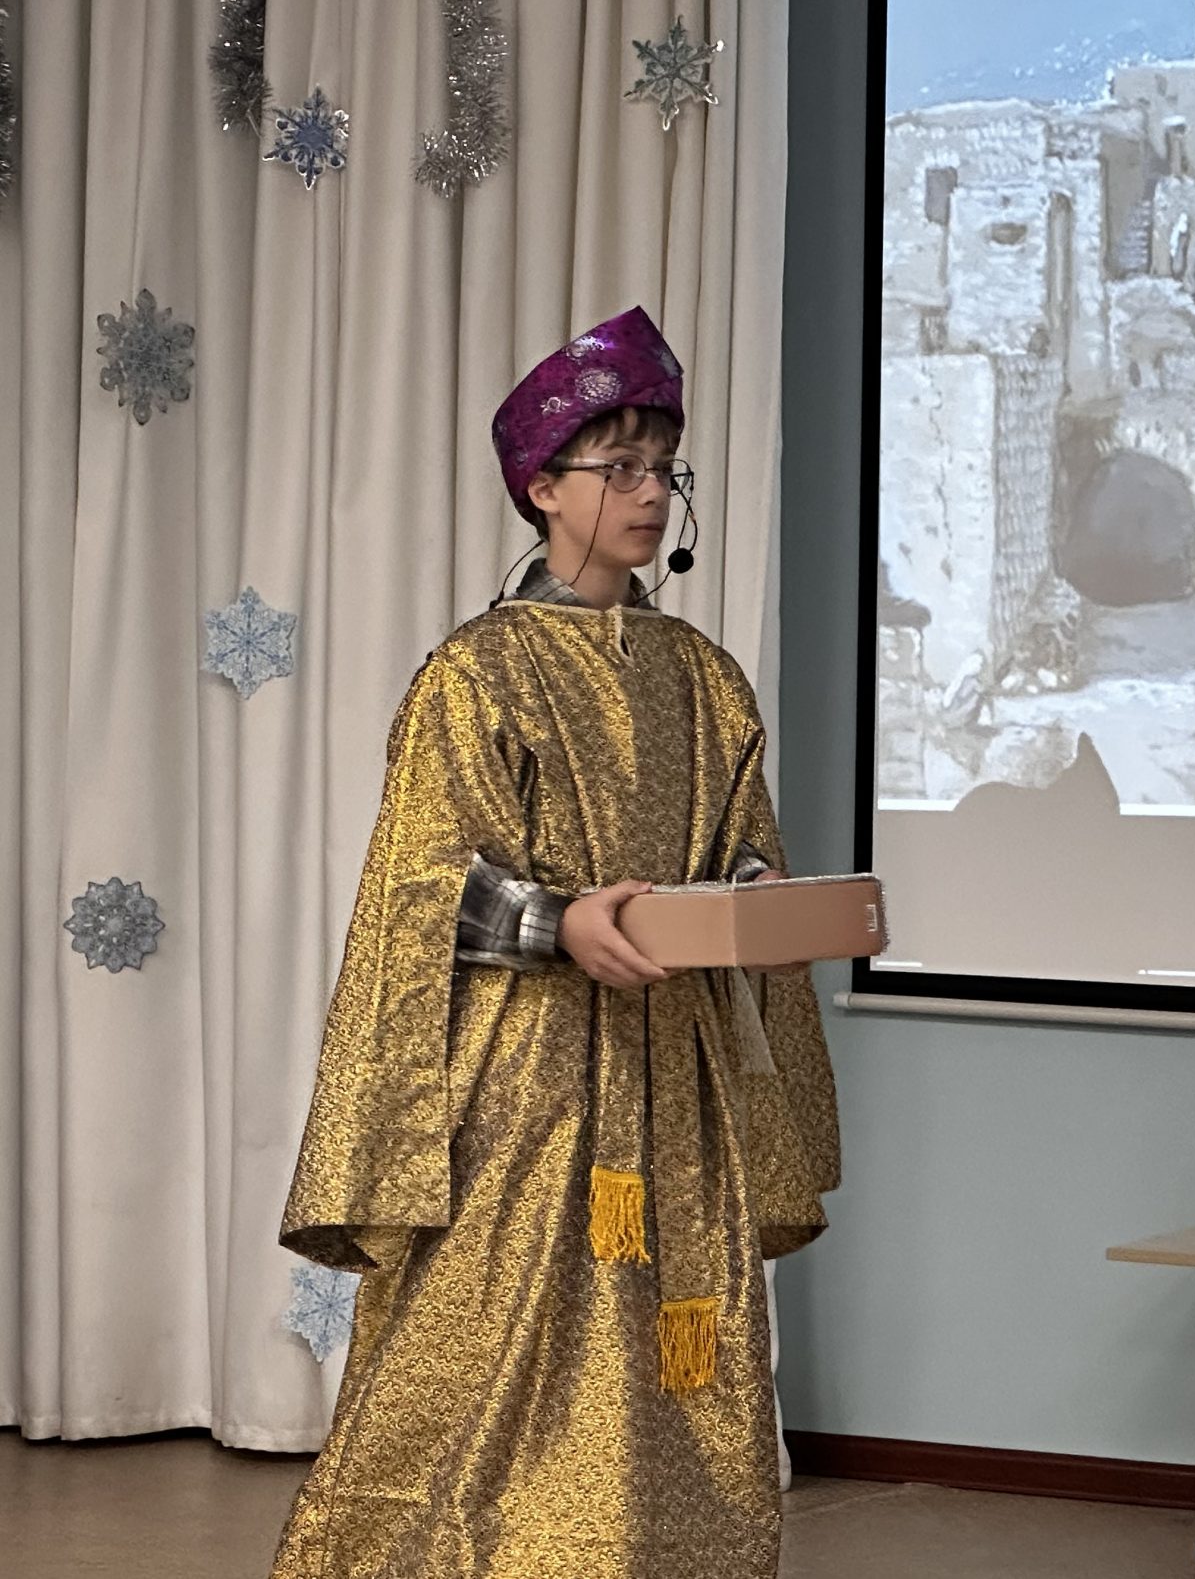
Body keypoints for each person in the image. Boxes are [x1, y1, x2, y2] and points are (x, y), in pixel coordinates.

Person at [271, 308, 841, 1579]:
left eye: (664, 468)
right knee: (479, 1356)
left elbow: (743, 843)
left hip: (676, 1083)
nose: (648, 494)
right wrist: (558, 920)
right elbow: (424, 883)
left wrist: (761, 907)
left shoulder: (704, 676)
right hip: (525, 1091)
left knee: (670, 1361)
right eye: (618, 466)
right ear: (542, 486)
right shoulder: (475, 673)